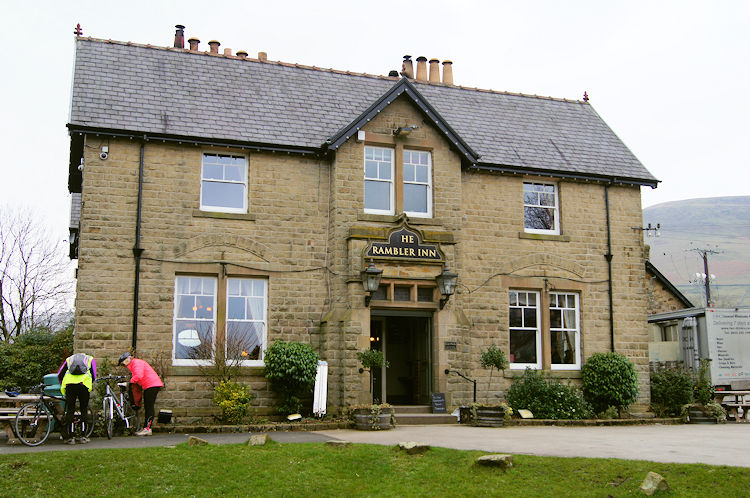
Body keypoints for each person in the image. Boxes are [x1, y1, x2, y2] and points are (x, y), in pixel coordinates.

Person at [118, 352, 164, 436]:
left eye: (123, 362)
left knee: (149, 406)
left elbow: (138, 376)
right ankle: (146, 428)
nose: (123, 365)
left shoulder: (136, 363)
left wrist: (129, 383)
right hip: (149, 385)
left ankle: (147, 429)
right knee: (148, 406)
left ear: (127, 359)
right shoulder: (135, 363)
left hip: (152, 385)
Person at [57, 352, 97, 444]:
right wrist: (89, 383)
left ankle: (71, 437)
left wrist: (63, 384)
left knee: (70, 410)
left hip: (69, 386)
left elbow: (60, 374)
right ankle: (83, 436)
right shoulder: (90, 359)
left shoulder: (69, 359)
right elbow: (94, 374)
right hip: (84, 385)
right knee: (84, 409)